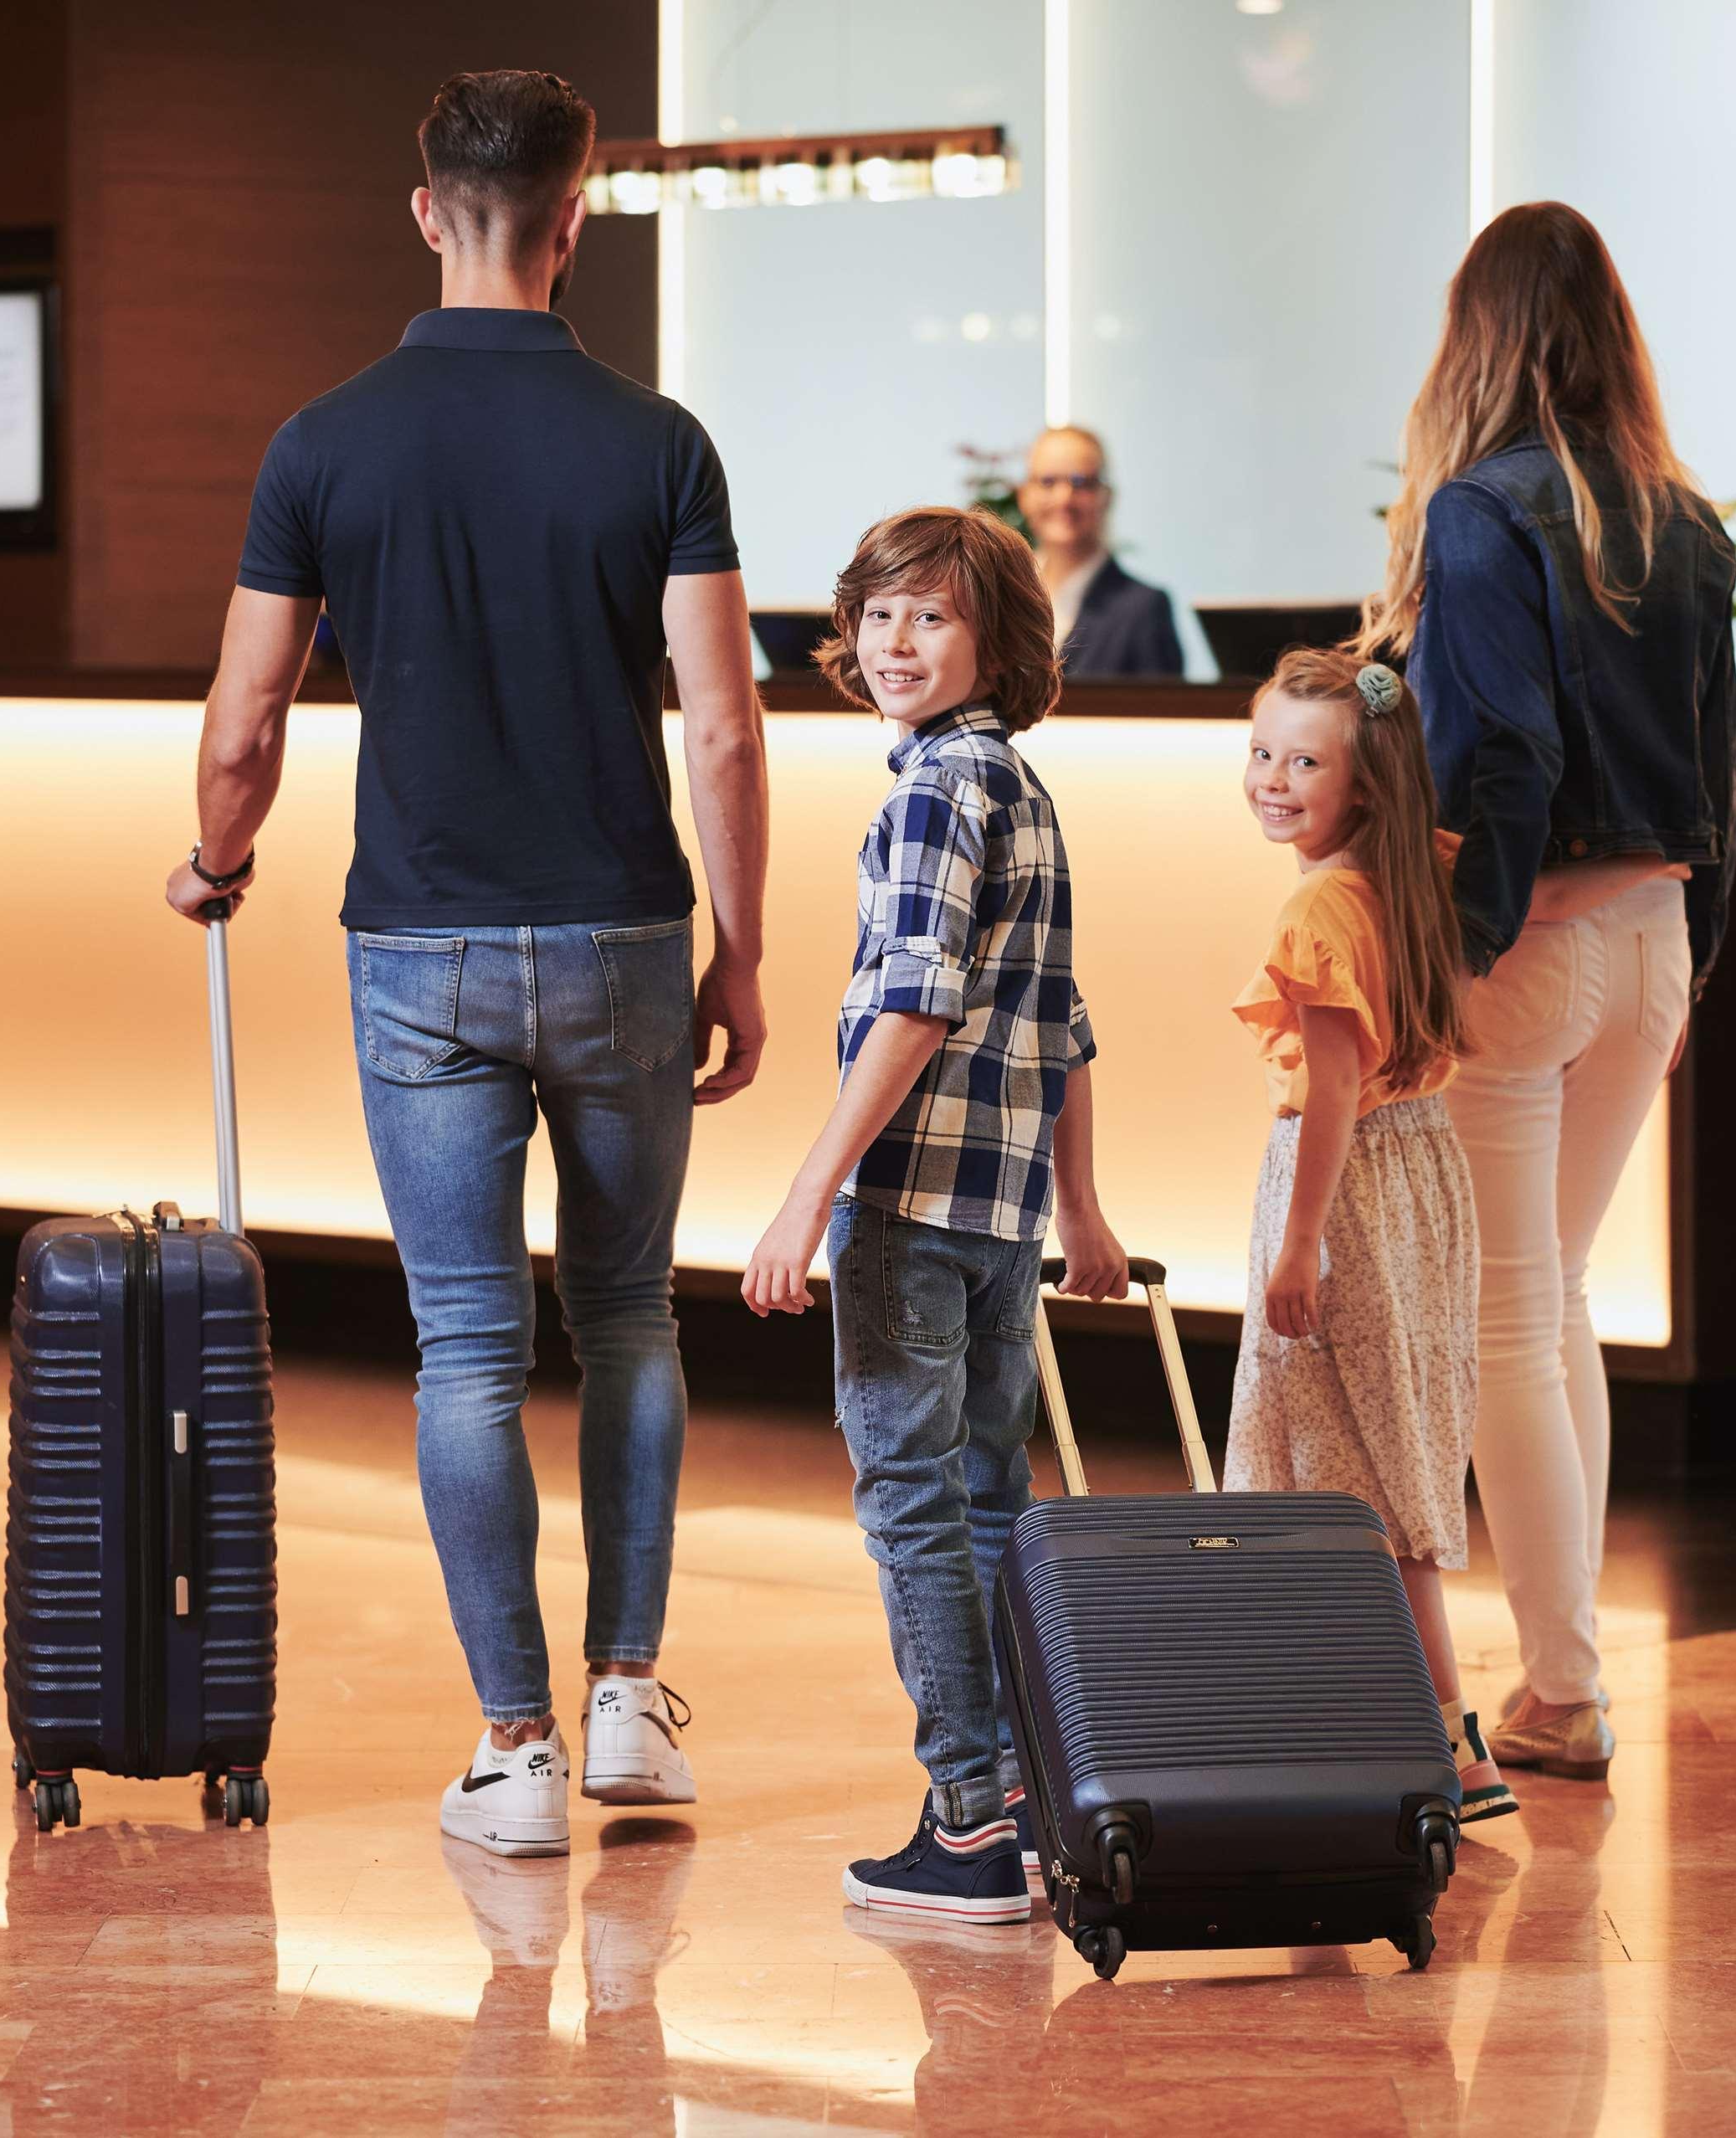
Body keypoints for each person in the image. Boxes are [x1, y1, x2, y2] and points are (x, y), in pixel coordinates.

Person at [162, 69, 773, 1853]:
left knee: (461, 1344)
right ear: (577, 221)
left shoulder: (321, 441)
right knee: (631, 1314)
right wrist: (738, 955)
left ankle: (512, 1751)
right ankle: (628, 1703)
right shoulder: (659, 441)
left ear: (427, 212)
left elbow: (242, 717)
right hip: (620, 935)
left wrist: (216, 861)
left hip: (416, 945)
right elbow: (724, 731)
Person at [1355, 201, 1736, 1784]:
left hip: (1523, 948)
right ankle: (1562, 1673)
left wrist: (1452, 948)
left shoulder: (1477, 510)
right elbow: (1719, 766)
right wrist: (1695, 940)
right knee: (1552, 1290)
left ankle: (1565, 1686)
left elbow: (1498, 751)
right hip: (1651, 936)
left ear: (1476, 331)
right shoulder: (1686, 519)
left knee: (1504, 1307)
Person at [738, 506, 1128, 1922]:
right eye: (880, 613)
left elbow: (915, 996)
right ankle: (1022, 1794)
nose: (896, 641)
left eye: (932, 616)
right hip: (1003, 1219)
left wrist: (810, 1187)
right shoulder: (1018, 785)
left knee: (912, 1507)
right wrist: (1076, 1205)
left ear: (992, 640)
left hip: (908, 1208)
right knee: (983, 1504)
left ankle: (964, 1817)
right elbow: (1062, 1024)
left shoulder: (927, 794)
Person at [1227, 649, 1513, 1826]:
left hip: (1338, 1187)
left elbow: (1332, 1091)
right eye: (1261, 752)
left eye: (1305, 761)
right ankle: (1425, 1737)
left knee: (1325, 1470)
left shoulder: (1318, 909)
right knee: (1387, 1460)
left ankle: (1410, 1739)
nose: (1273, 778)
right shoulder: (1410, 880)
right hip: (1422, 1172)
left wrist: (1299, 1247)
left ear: (1365, 786)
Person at [1019, 425, 1184, 679]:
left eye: (1080, 483)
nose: (1064, 498)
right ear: (1024, 496)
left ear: (1106, 497)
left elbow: (1163, 713)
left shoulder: (1144, 610)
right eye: (1048, 482)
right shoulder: (1005, 595)